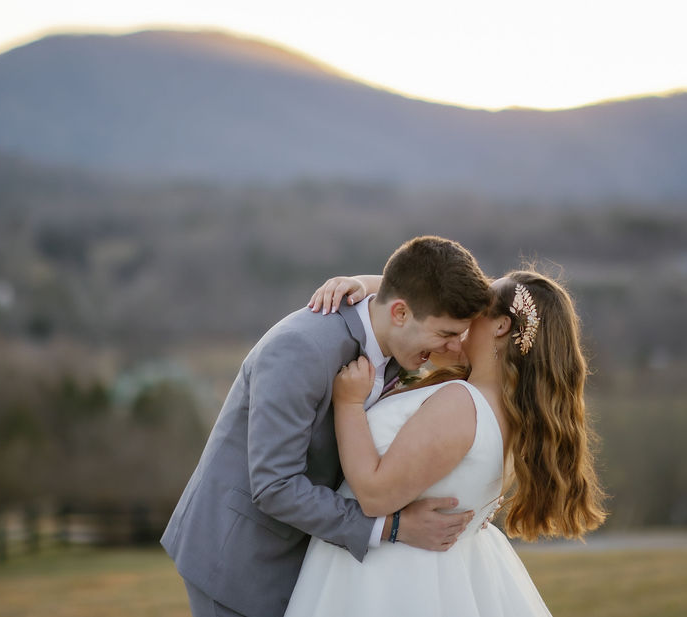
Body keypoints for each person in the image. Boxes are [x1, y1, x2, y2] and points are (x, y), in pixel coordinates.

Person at [161, 236, 494, 617]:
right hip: (239, 559)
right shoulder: (301, 349)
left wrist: (365, 281)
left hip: (304, 554)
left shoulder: (396, 335)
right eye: (447, 335)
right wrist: (394, 527)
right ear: (400, 314)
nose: (453, 348)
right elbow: (274, 486)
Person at [284, 269, 607, 617]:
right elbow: (428, 301)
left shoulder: (461, 404)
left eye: (479, 306)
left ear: (500, 326)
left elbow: (375, 494)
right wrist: (368, 285)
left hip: (388, 582)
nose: (464, 311)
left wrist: (348, 404)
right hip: (440, 572)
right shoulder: (512, 413)